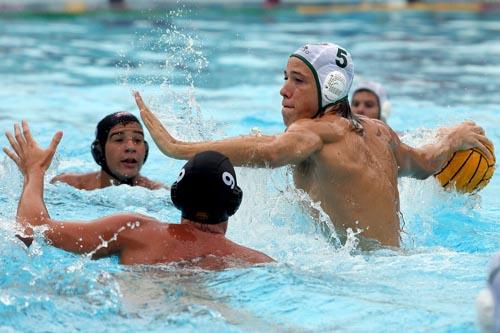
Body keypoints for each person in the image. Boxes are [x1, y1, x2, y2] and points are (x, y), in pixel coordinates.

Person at [133, 42, 492, 248]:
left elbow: (272, 150)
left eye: (298, 80)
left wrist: (178, 148)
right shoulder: (380, 131)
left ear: (331, 88)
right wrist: (451, 139)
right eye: (285, 78)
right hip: (399, 263)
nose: (283, 89)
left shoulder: (316, 133)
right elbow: (425, 164)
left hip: (353, 281)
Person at [3, 121, 273, 269]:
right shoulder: (256, 262)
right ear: (234, 203)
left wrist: (34, 171)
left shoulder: (131, 229)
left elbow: (33, 229)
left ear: (176, 195)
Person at [51, 112, 164, 190]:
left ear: (146, 150)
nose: (131, 147)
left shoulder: (159, 193)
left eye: (138, 140)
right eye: (119, 139)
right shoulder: (68, 185)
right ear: (99, 151)